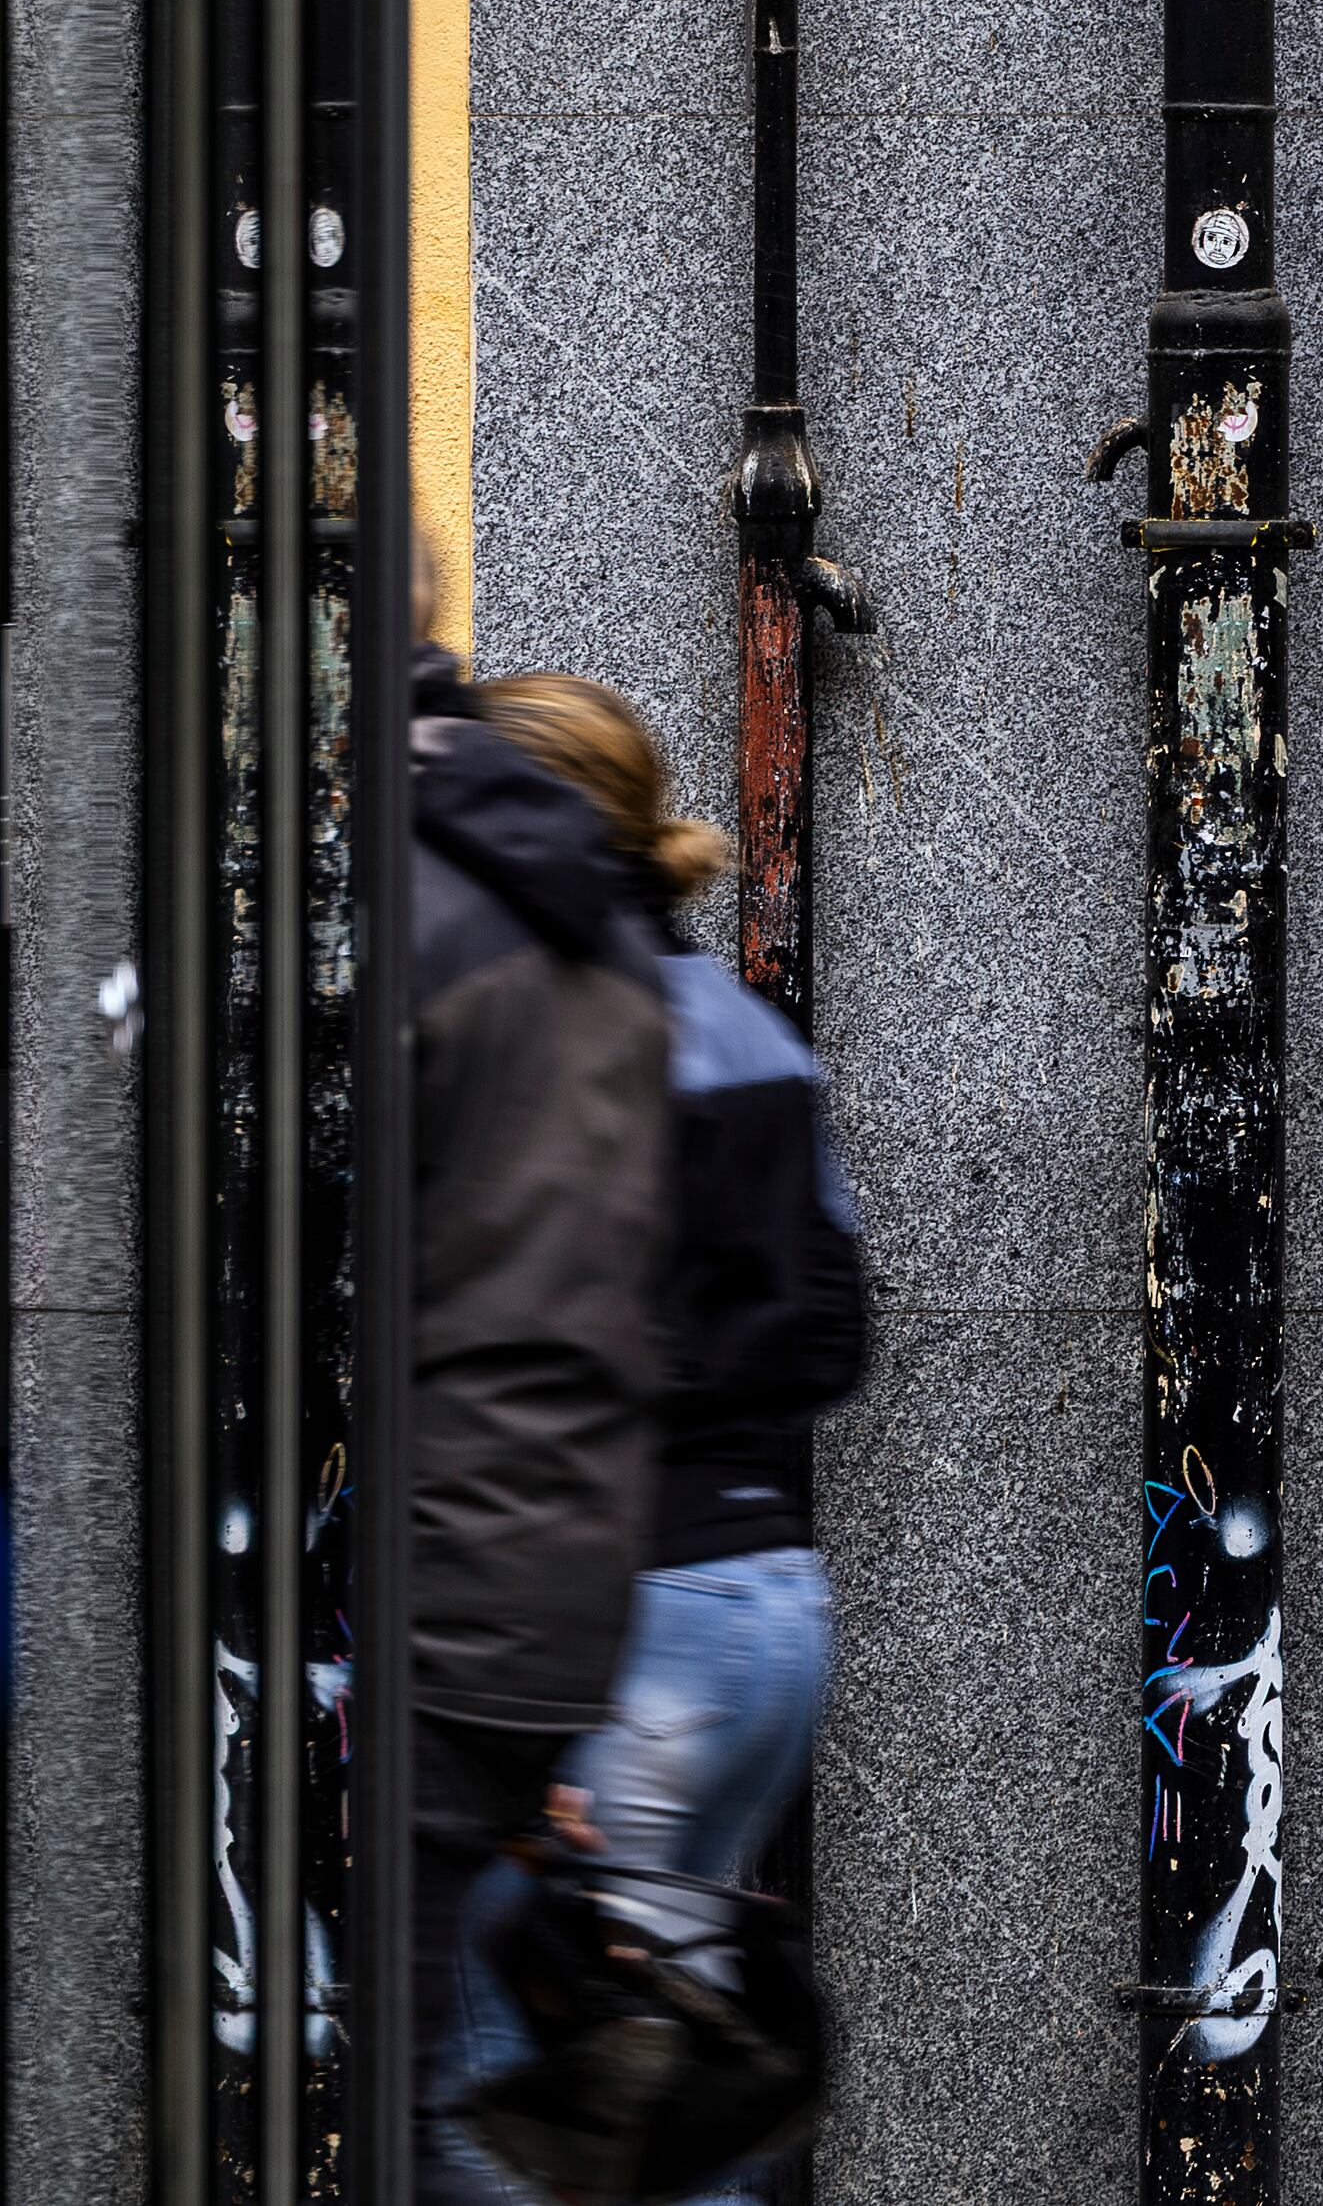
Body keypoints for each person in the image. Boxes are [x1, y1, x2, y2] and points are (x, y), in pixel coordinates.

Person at [442, 674, 870, 2198]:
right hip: (758, 1608)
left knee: (521, 2091)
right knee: (656, 2082)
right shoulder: (741, 1028)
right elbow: (829, 1332)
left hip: (616, 1625)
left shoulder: (550, 1031)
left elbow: (515, 1369)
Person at [403, 648, 675, 2206]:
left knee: (426, 2086)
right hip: (554, 1584)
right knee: (469, 2052)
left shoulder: (474, 959)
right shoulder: (624, 980)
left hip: (472, 1586)